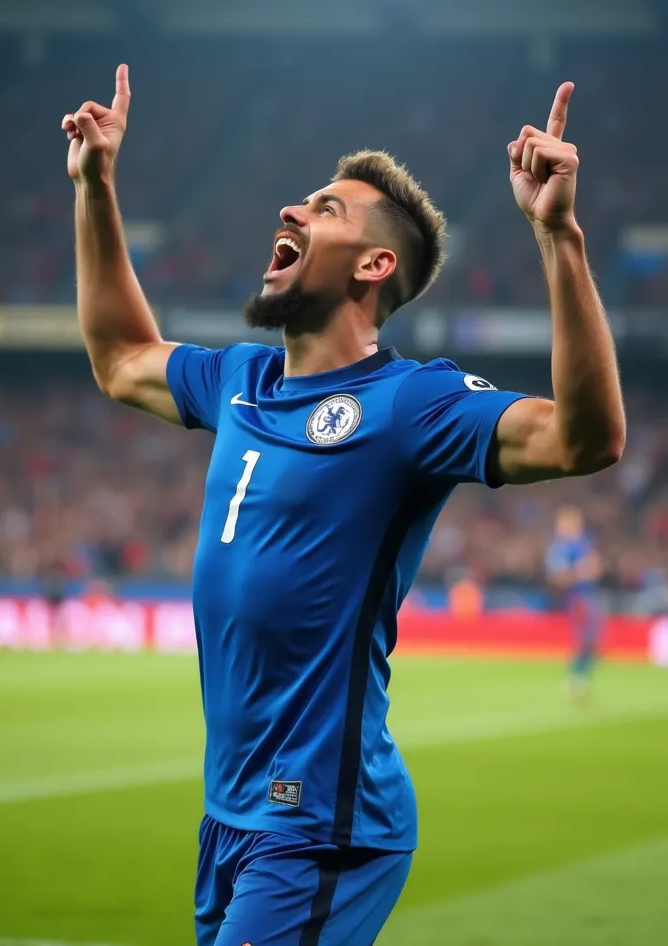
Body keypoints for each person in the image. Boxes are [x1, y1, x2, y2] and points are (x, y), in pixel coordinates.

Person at [62, 65, 625, 946]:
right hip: (232, 814)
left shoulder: (412, 405)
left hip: (320, 822)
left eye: (325, 209)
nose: (291, 211)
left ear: (375, 265)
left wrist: (562, 239)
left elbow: (584, 441)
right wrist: (95, 186)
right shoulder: (239, 380)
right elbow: (121, 356)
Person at [546, 506, 604, 700]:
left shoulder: (584, 543)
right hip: (577, 598)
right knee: (583, 640)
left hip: (590, 595)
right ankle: (575, 679)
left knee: (593, 641)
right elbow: (558, 578)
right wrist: (580, 573)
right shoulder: (560, 548)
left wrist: (585, 570)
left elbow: (596, 568)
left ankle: (581, 677)